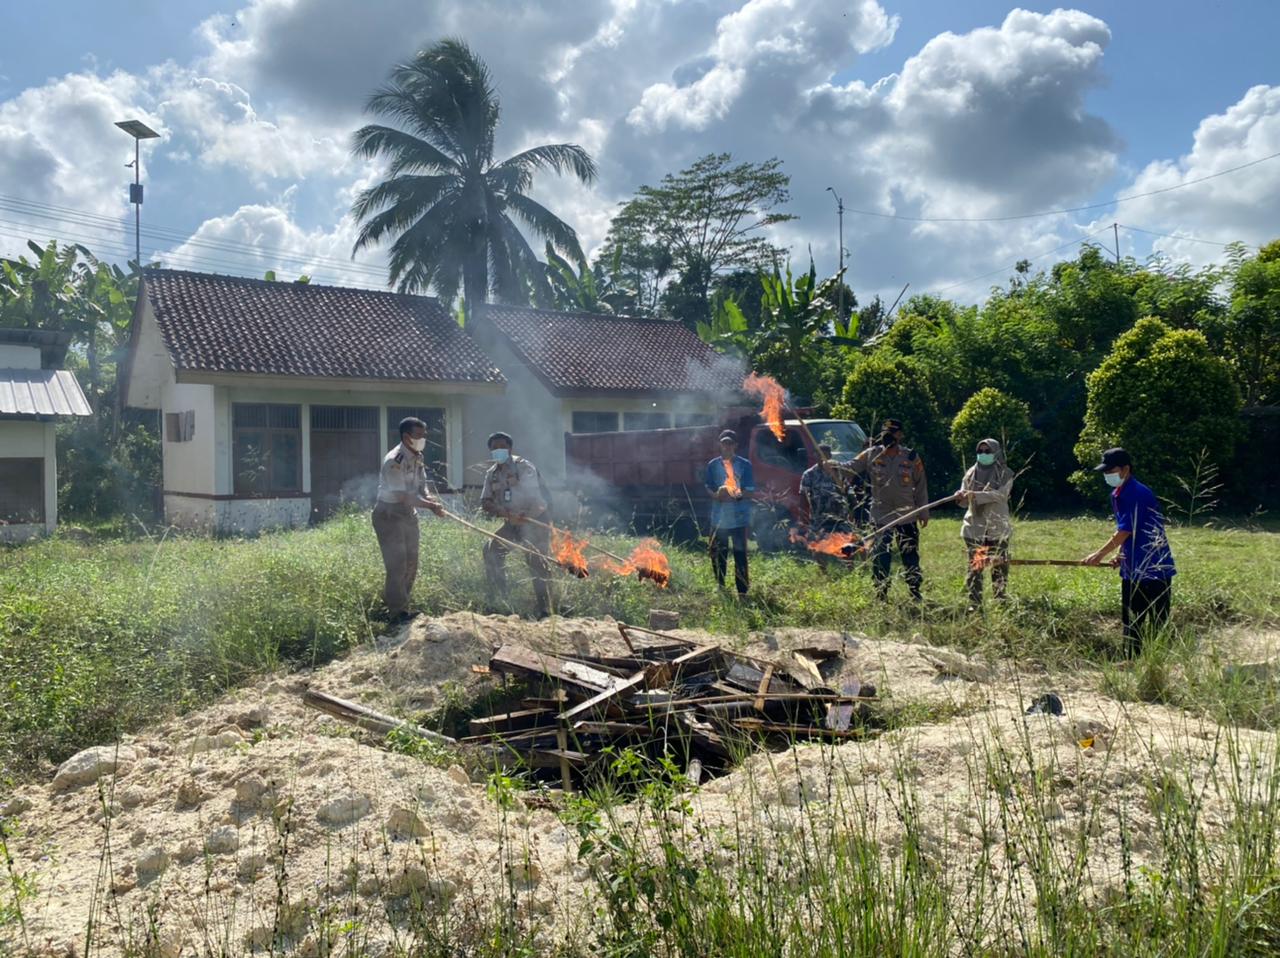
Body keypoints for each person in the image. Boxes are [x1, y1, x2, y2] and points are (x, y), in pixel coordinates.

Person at [1083, 447, 1176, 655]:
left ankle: (1157, 663)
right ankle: (1134, 661)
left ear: (1125, 469)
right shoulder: (1118, 493)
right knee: (1132, 620)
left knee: (1156, 621)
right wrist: (1120, 556)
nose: (1108, 475)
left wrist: (1099, 554)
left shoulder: (1136, 493)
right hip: (1133, 565)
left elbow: (1125, 530)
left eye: (1111, 471)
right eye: (1105, 472)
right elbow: (1132, 531)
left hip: (1153, 567)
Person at [827, 417, 929, 601]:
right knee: (881, 556)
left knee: (910, 554)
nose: (887, 438)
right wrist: (834, 465)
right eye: (884, 434)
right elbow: (850, 467)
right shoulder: (871, 454)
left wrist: (923, 510)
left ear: (900, 435)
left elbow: (921, 485)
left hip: (907, 515)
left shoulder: (911, 457)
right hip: (880, 515)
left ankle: (915, 592)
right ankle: (881, 593)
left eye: (891, 434)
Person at [373, 416, 445, 621]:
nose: (423, 439)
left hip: (408, 514)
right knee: (397, 564)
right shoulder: (394, 461)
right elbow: (401, 496)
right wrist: (431, 506)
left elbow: (422, 485)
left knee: (412, 562)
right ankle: (397, 613)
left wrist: (430, 498)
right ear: (406, 436)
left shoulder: (417, 456)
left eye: (424, 436)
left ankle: (400, 604)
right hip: (389, 514)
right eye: (419, 436)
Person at [480, 431, 554, 618]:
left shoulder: (524, 467)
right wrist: (502, 512)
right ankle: (501, 600)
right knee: (491, 550)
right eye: (494, 448)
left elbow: (536, 499)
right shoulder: (492, 474)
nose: (499, 450)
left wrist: (524, 515)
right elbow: (485, 502)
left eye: (502, 447)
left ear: (510, 448)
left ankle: (546, 609)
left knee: (536, 560)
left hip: (535, 520)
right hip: (512, 522)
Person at [956, 438, 1015, 609]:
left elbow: (1001, 495)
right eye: (980, 451)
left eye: (987, 451)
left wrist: (974, 494)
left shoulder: (1005, 473)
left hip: (997, 529)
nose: (983, 455)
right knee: (976, 566)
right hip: (975, 530)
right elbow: (964, 499)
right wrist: (960, 495)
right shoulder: (970, 473)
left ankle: (1000, 601)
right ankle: (974, 603)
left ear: (996, 453)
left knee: (999, 566)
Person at [704, 430, 754, 599]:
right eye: (724, 443)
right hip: (719, 518)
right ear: (720, 444)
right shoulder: (712, 465)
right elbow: (708, 487)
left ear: (735, 445)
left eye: (730, 443)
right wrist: (717, 495)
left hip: (739, 517)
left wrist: (735, 495)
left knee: (740, 555)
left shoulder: (745, 465)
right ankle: (720, 585)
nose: (727, 446)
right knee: (718, 553)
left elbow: (750, 490)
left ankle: (742, 591)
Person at [800, 444, 851, 537]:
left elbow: (848, 492)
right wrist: (803, 518)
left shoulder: (839, 472)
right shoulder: (809, 474)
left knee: (843, 545)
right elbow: (803, 496)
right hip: (819, 520)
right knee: (820, 545)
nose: (822, 458)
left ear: (830, 456)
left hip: (840, 519)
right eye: (819, 455)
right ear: (815, 456)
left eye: (825, 455)